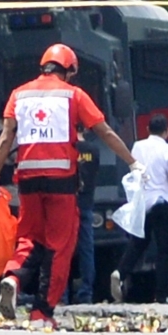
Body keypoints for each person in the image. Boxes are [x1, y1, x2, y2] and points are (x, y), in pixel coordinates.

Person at [0, 43, 145, 328]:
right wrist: (132, 161)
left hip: (27, 181)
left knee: (29, 239)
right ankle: (42, 312)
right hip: (61, 181)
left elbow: (5, 138)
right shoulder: (74, 94)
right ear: (69, 70)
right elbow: (104, 131)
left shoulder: (19, 94)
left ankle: (12, 277)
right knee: (60, 246)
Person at [111, 114, 168, 304]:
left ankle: (119, 273)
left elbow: (134, 170)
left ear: (147, 130)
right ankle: (162, 295)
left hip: (144, 204)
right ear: (167, 131)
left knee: (138, 244)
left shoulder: (138, 146)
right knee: (164, 250)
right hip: (163, 203)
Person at [71, 126, 99, 304]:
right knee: (87, 250)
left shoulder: (67, 148)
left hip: (68, 204)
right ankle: (86, 293)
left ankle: (62, 294)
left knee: (62, 250)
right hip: (87, 203)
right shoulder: (93, 150)